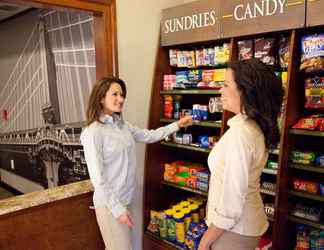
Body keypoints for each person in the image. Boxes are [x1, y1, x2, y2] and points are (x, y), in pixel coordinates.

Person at [80, 77, 192, 250]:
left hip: (125, 200)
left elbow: (150, 135)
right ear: (101, 97)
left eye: (122, 94)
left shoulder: (121, 125)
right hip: (110, 205)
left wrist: (177, 124)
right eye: (115, 94)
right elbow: (98, 178)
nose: (121, 99)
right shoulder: (93, 132)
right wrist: (117, 210)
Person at [198, 59, 284, 250]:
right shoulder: (251, 126)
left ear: (245, 91)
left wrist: (206, 240)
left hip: (233, 232)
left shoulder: (241, 134)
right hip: (241, 227)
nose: (220, 90)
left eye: (226, 84)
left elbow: (231, 202)